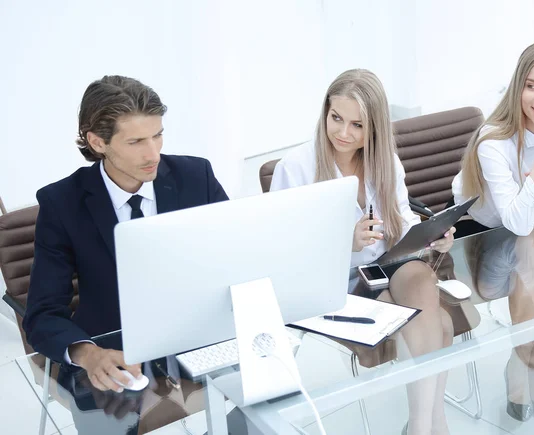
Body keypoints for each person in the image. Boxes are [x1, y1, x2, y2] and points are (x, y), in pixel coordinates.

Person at [271, 69, 456, 435]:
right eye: (336, 118)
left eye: (357, 125)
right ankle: (433, 423)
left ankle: (421, 426)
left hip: (382, 275)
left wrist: (432, 238)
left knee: (419, 275)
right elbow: (282, 256)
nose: (343, 133)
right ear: (325, 111)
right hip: (331, 290)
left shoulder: (385, 162)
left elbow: (402, 230)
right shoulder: (296, 168)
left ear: (374, 128)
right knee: (443, 324)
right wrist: (345, 243)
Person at [23, 75, 229, 395]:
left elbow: (236, 259)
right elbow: (43, 313)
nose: (153, 155)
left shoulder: (196, 176)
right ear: (97, 142)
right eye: (135, 142)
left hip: (201, 339)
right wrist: (87, 353)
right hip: (115, 355)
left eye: (157, 136)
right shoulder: (62, 203)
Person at [452, 39, 534, 421]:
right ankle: (527, 371)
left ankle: (522, 367)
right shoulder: (493, 140)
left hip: (520, 242)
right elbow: (519, 222)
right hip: (471, 251)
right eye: (532, 85)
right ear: (517, 87)